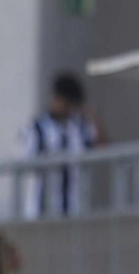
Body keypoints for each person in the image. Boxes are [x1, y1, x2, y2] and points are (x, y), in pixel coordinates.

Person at [20, 72, 103, 218]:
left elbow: (103, 148)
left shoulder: (80, 127)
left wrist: (93, 117)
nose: (67, 107)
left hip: (75, 211)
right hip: (41, 212)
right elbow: (24, 161)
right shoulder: (37, 128)